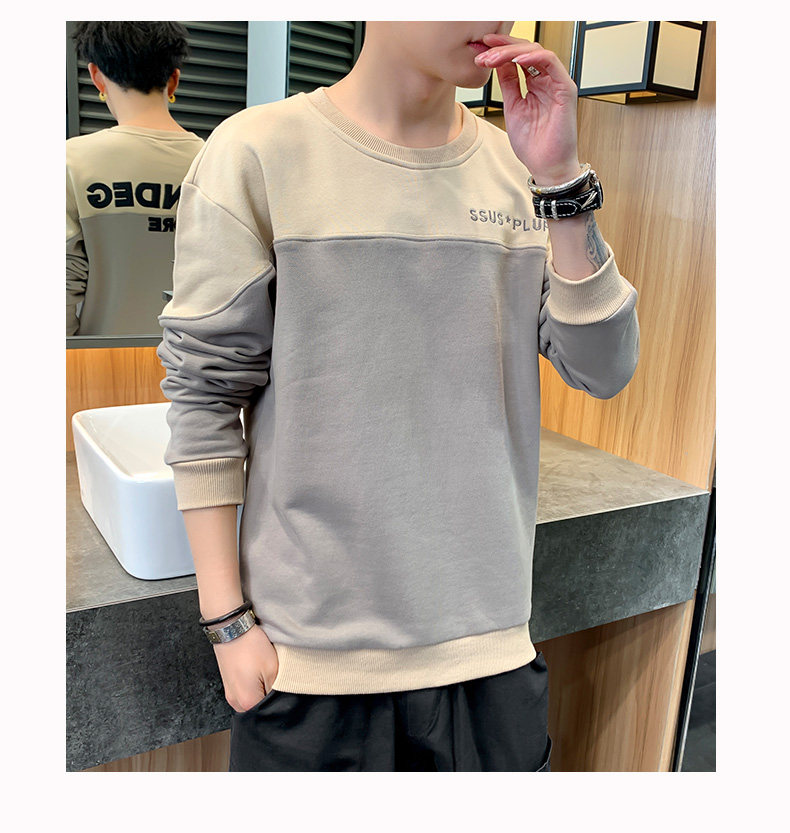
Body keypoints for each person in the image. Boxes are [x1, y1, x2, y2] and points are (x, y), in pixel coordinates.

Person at [156, 21, 640, 771]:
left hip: (491, 651)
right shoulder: (258, 152)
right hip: (311, 664)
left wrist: (562, 184)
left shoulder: (521, 172)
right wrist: (226, 620)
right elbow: (205, 395)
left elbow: (603, 369)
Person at [66, 22, 204, 336]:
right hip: (197, 359)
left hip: (99, 360)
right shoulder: (218, 160)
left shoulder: (71, 162)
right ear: (174, 80)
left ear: (96, 76)